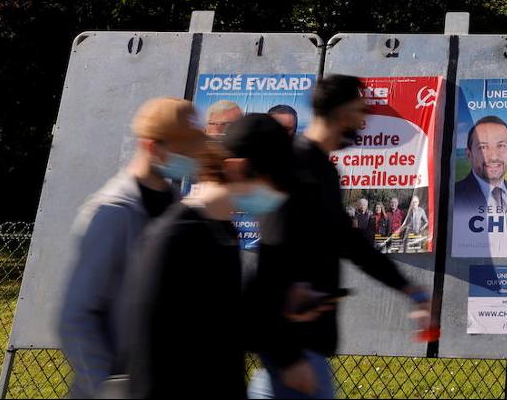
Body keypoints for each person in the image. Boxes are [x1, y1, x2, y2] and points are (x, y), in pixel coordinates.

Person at [251, 75, 434, 398]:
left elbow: (348, 242)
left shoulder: (323, 169)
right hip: (295, 346)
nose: (363, 121)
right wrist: (288, 356)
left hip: (308, 346)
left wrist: (410, 289)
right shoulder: (293, 165)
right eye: (359, 110)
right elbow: (272, 258)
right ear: (341, 112)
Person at [121, 114, 296, 398]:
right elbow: (147, 358)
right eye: (278, 181)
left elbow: (222, 332)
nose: (281, 195)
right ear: (238, 168)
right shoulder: (173, 237)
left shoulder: (223, 233)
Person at [57, 97, 207, 399]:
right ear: (152, 147)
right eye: (185, 150)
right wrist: (107, 388)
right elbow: (77, 316)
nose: (193, 157)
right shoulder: (112, 213)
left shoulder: (178, 208)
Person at [453, 116, 507, 217]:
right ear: (469, 154)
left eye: (501, 146)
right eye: (483, 147)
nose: (493, 156)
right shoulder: (454, 196)